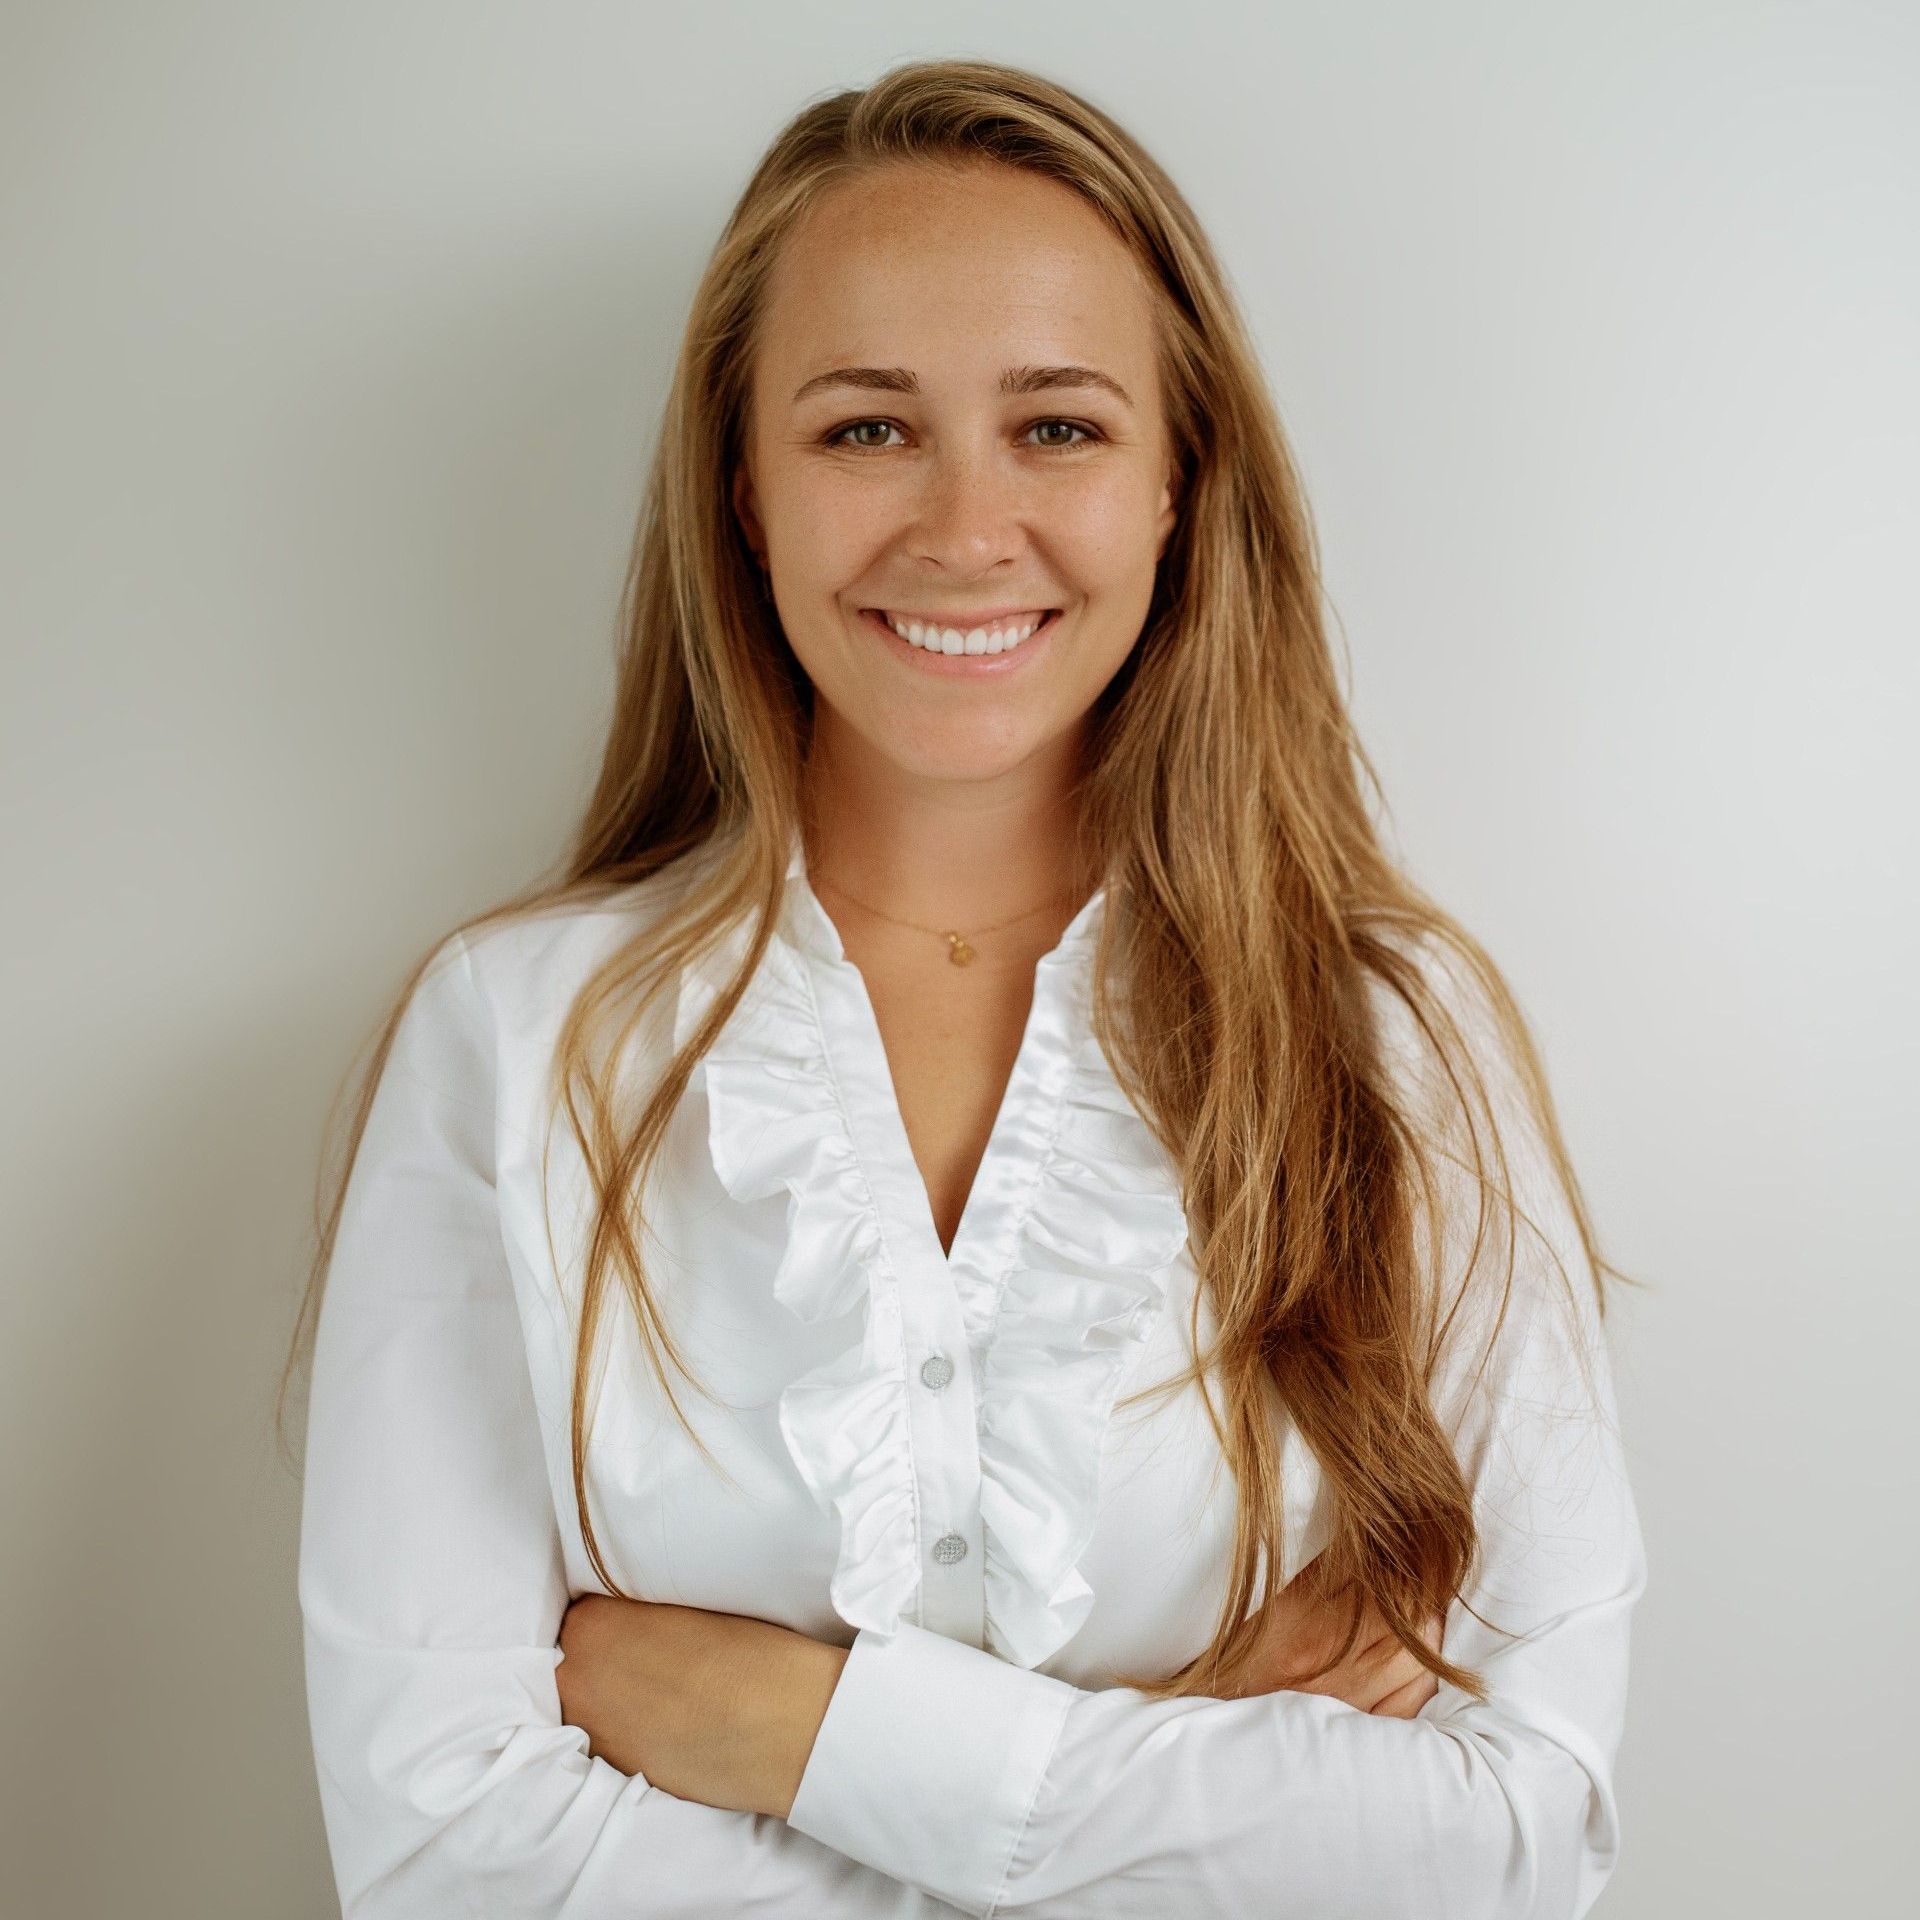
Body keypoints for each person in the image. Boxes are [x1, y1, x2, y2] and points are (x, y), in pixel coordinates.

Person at [284, 56, 1647, 1920]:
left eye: (1059, 427)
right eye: (864, 430)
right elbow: (446, 1853)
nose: (964, 525)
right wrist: (1203, 1780)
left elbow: (1514, 1843)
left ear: (1182, 483)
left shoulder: (1396, 1050)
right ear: (743, 494)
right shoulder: (516, 1046)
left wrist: (788, 1729)